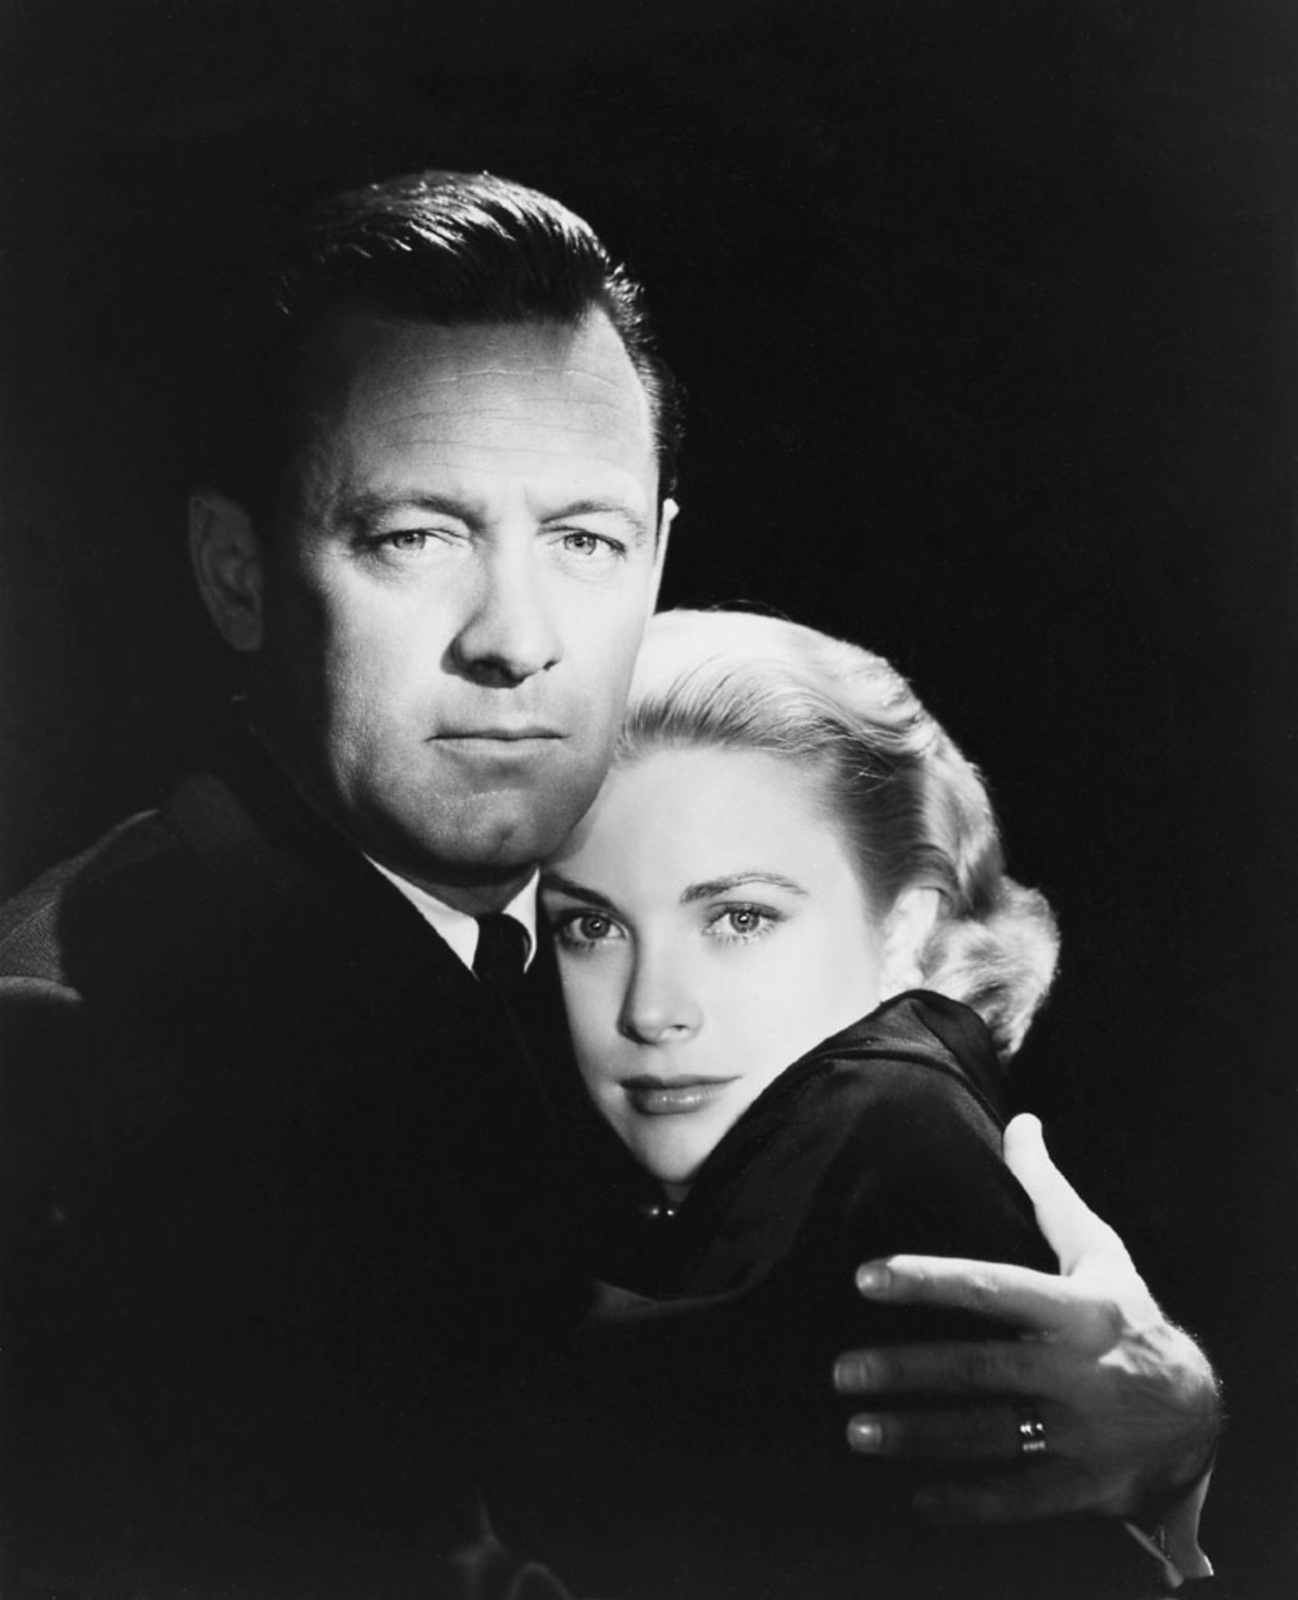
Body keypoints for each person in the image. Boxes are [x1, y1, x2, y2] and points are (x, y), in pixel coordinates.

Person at [0, 171, 1216, 1598]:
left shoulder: (549, 958)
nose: (515, 639)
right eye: (414, 536)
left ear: (656, 560)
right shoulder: (83, 1055)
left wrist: (1158, 1452)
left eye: (583, 540)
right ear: (236, 574)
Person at [481, 607, 1178, 1596]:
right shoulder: (681, 1202)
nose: (650, 1010)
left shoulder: (890, 1134)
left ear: (903, 932)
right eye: (591, 927)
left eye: (739, 917)